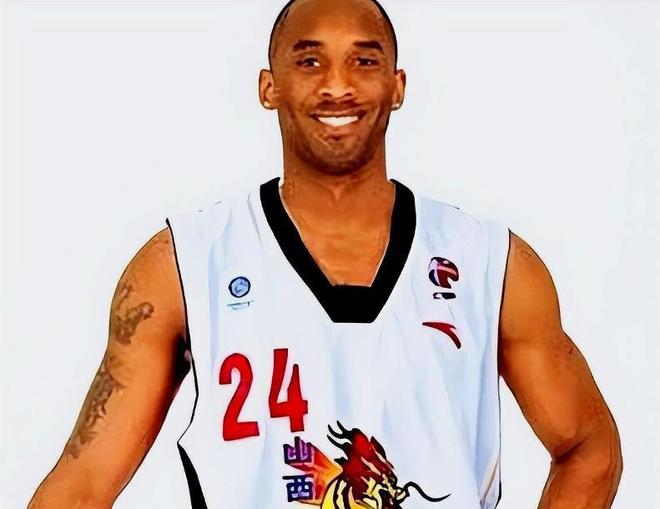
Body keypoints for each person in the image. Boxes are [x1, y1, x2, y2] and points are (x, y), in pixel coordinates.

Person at [28, 0, 622, 507]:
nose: (338, 85)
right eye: (310, 61)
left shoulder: (490, 264)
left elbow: (588, 446)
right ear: (269, 87)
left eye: (364, 61)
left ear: (398, 86)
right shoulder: (183, 264)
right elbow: (82, 486)